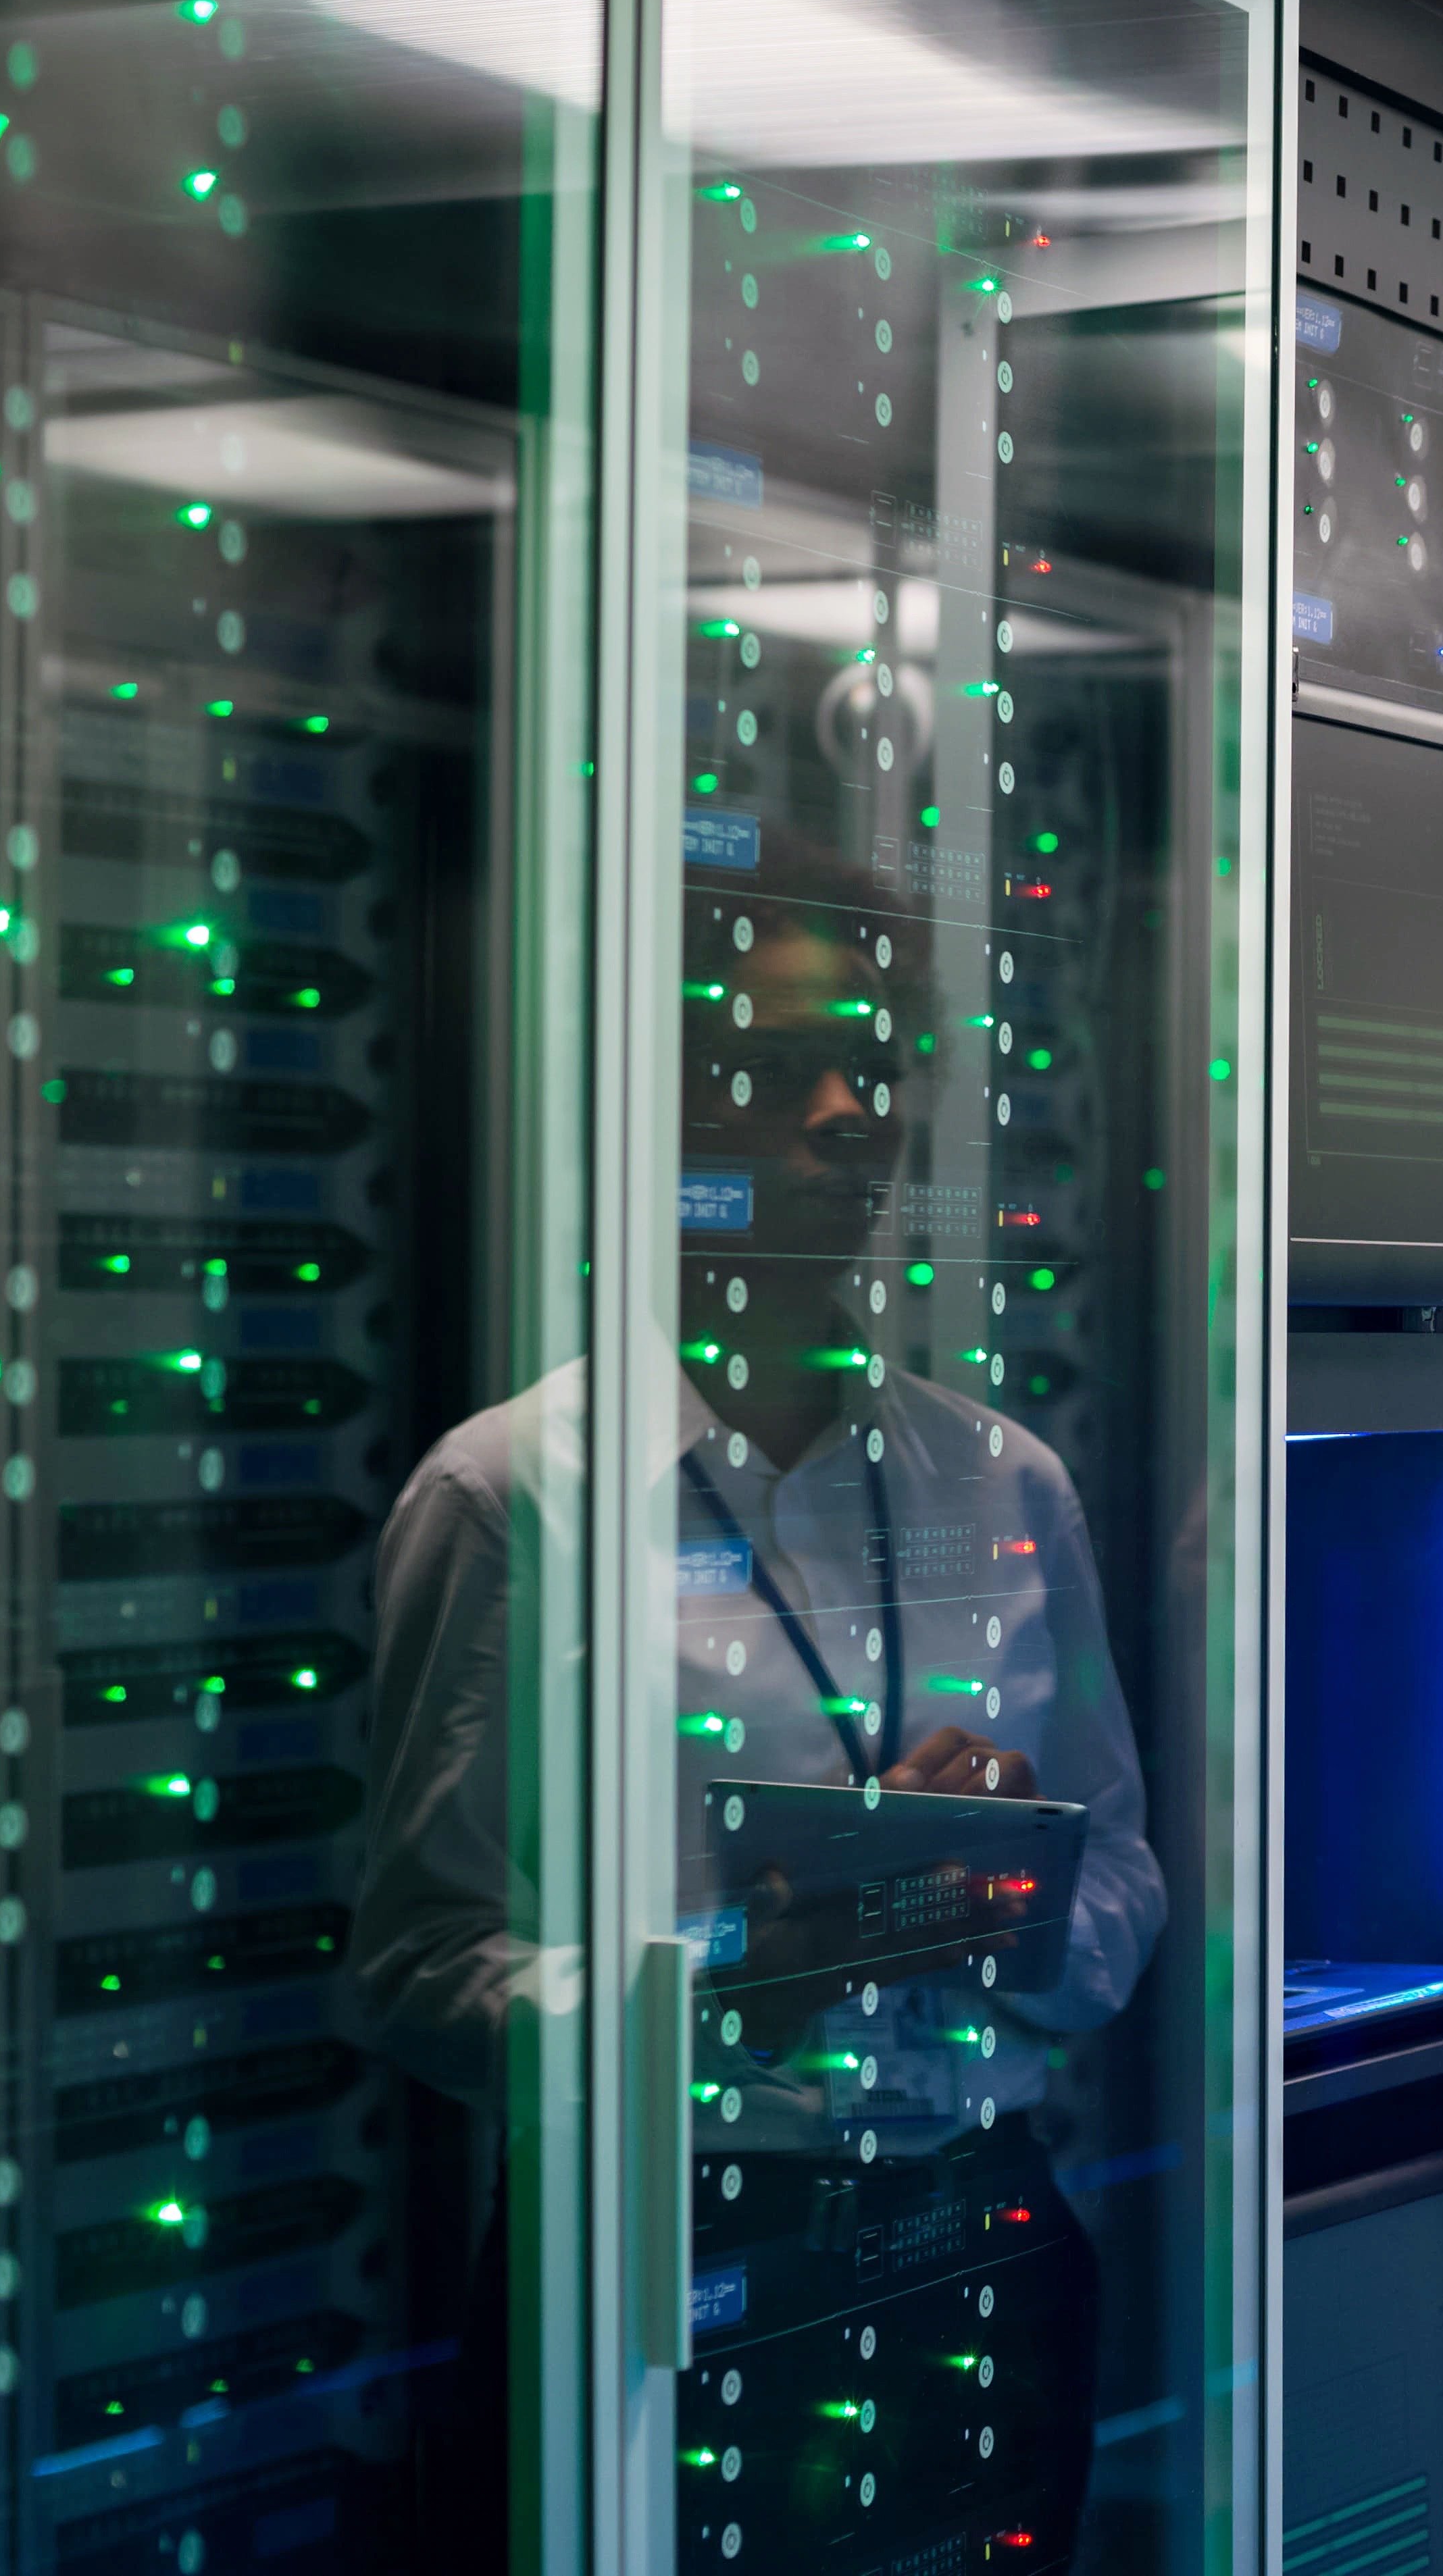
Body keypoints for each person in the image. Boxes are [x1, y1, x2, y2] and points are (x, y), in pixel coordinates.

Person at [343, 844, 1161, 2570]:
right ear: (661, 1109)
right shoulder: (514, 1493)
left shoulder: (1004, 1476)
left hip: (982, 2231)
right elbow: (417, 1969)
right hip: (661, 2258)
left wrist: (1007, 1887)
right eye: (785, 1065)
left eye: (876, 1059)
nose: (854, 1109)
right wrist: (736, 1970)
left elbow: (1122, 1892)